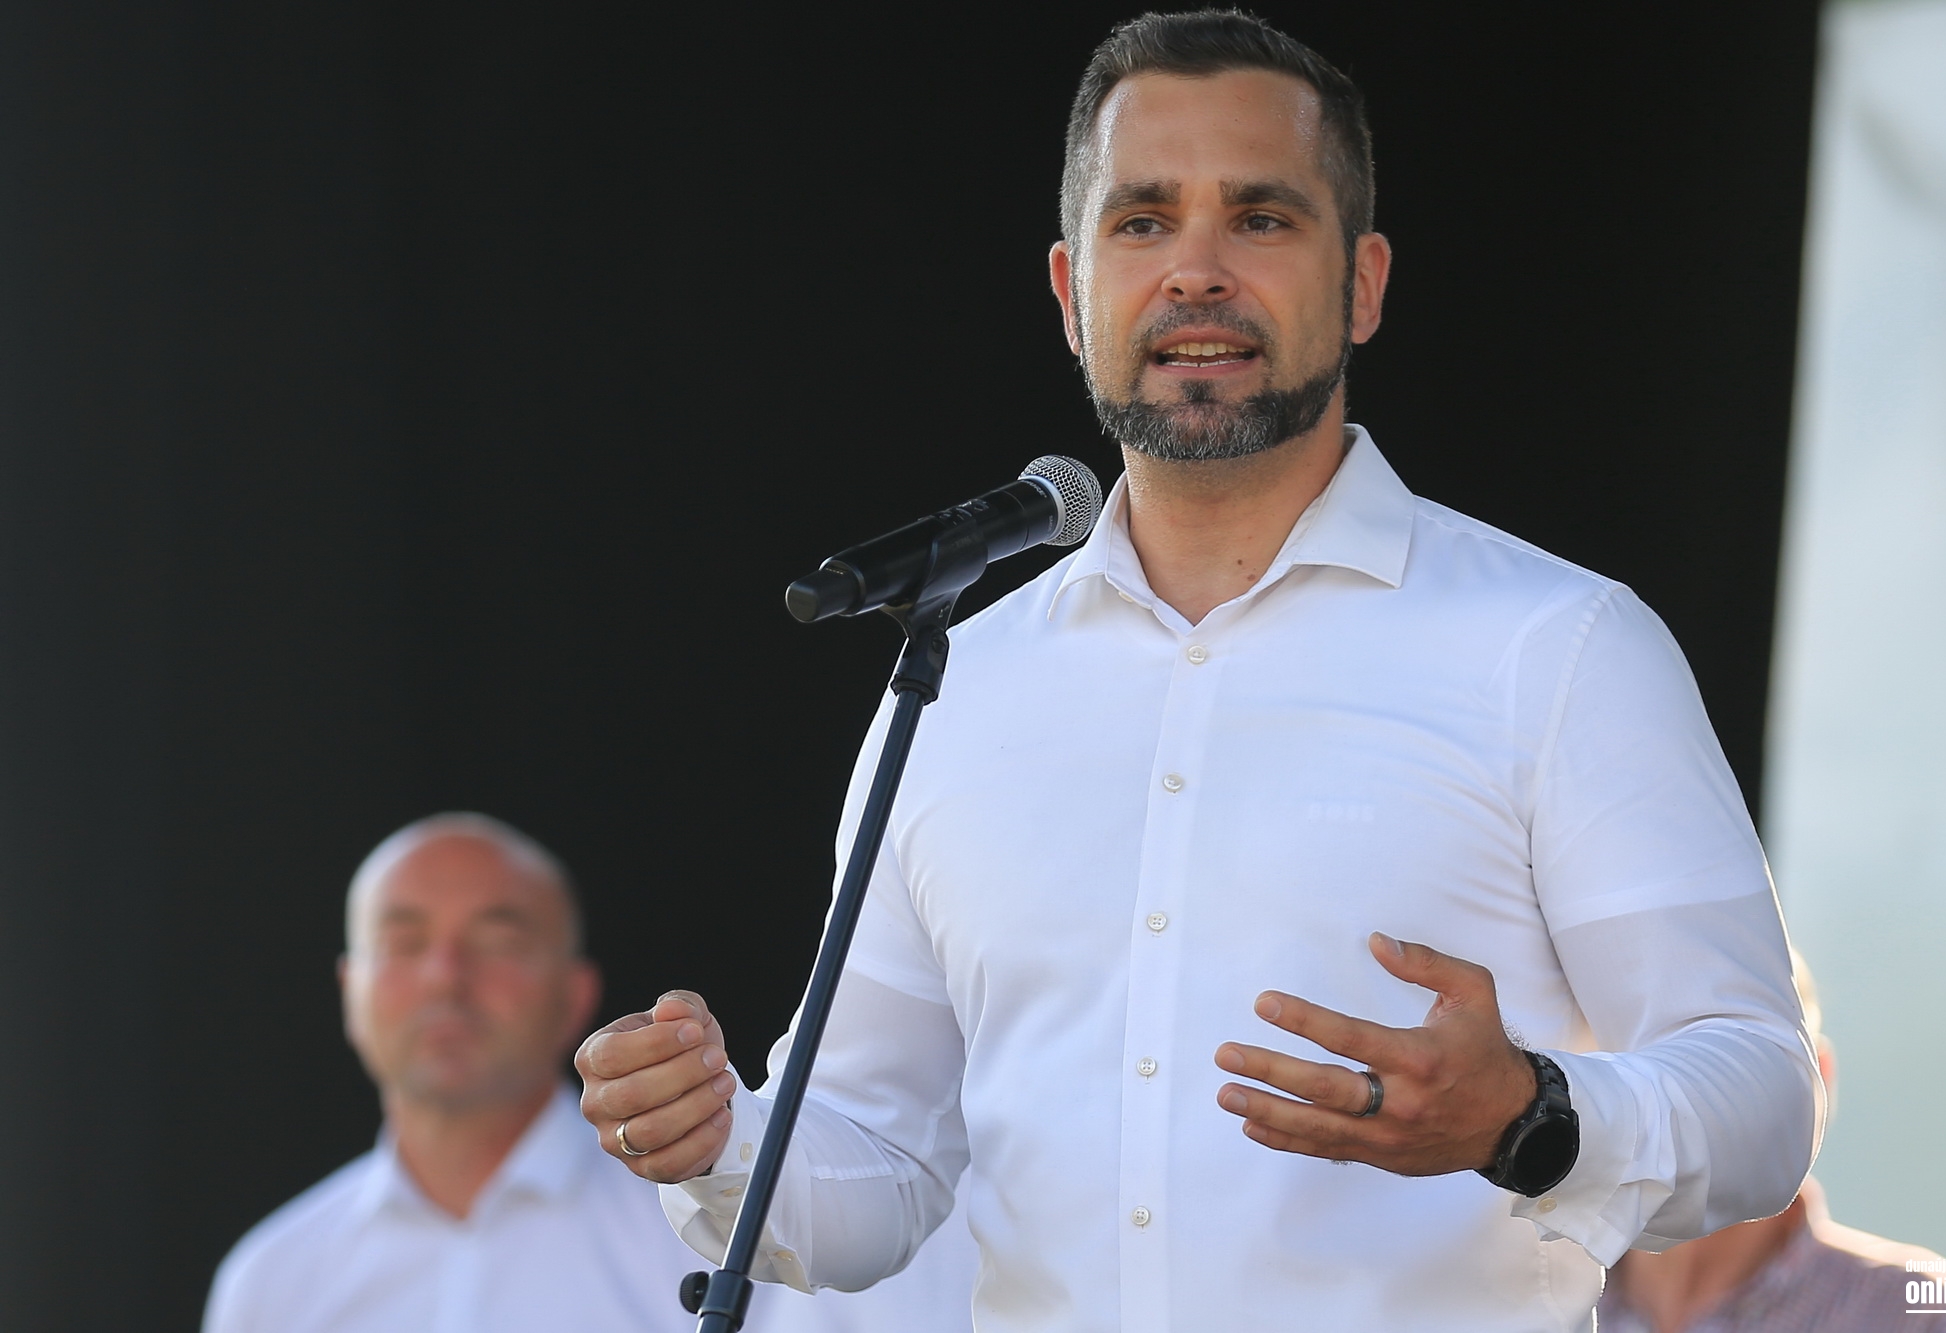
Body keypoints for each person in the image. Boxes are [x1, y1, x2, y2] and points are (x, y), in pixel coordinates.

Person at [575, 11, 1821, 1330]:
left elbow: (1758, 1094)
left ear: (1363, 284)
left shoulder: (1556, 648)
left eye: (1261, 218)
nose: (1196, 271)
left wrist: (1531, 1118)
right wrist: (717, 1139)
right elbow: (876, 1167)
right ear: (1070, 294)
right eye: (1143, 220)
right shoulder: (957, 688)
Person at [204, 812, 975, 1333]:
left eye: (497, 940)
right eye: (404, 943)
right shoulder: (271, 1280)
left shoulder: (719, 1224)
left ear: (574, 993)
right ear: (351, 990)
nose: (445, 975)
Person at [1597, 955, 1946, 1332]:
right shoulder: (1562, 1294)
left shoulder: (1922, 1317)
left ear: (1818, 1081)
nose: (1692, 1101)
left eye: (1740, 1067)